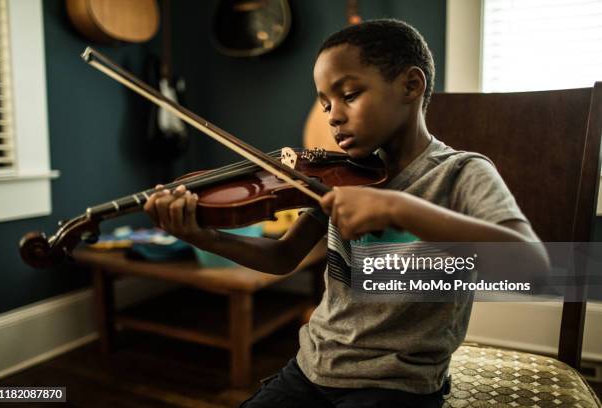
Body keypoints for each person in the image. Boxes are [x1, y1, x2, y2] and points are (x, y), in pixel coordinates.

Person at [144, 19, 548, 408]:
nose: (332, 116)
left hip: (397, 384)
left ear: (411, 84)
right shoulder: (343, 176)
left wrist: (398, 207)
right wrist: (205, 237)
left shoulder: (461, 173)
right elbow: (282, 257)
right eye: (325, 103)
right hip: (313, 366)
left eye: (349, 95)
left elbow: (531, 267)